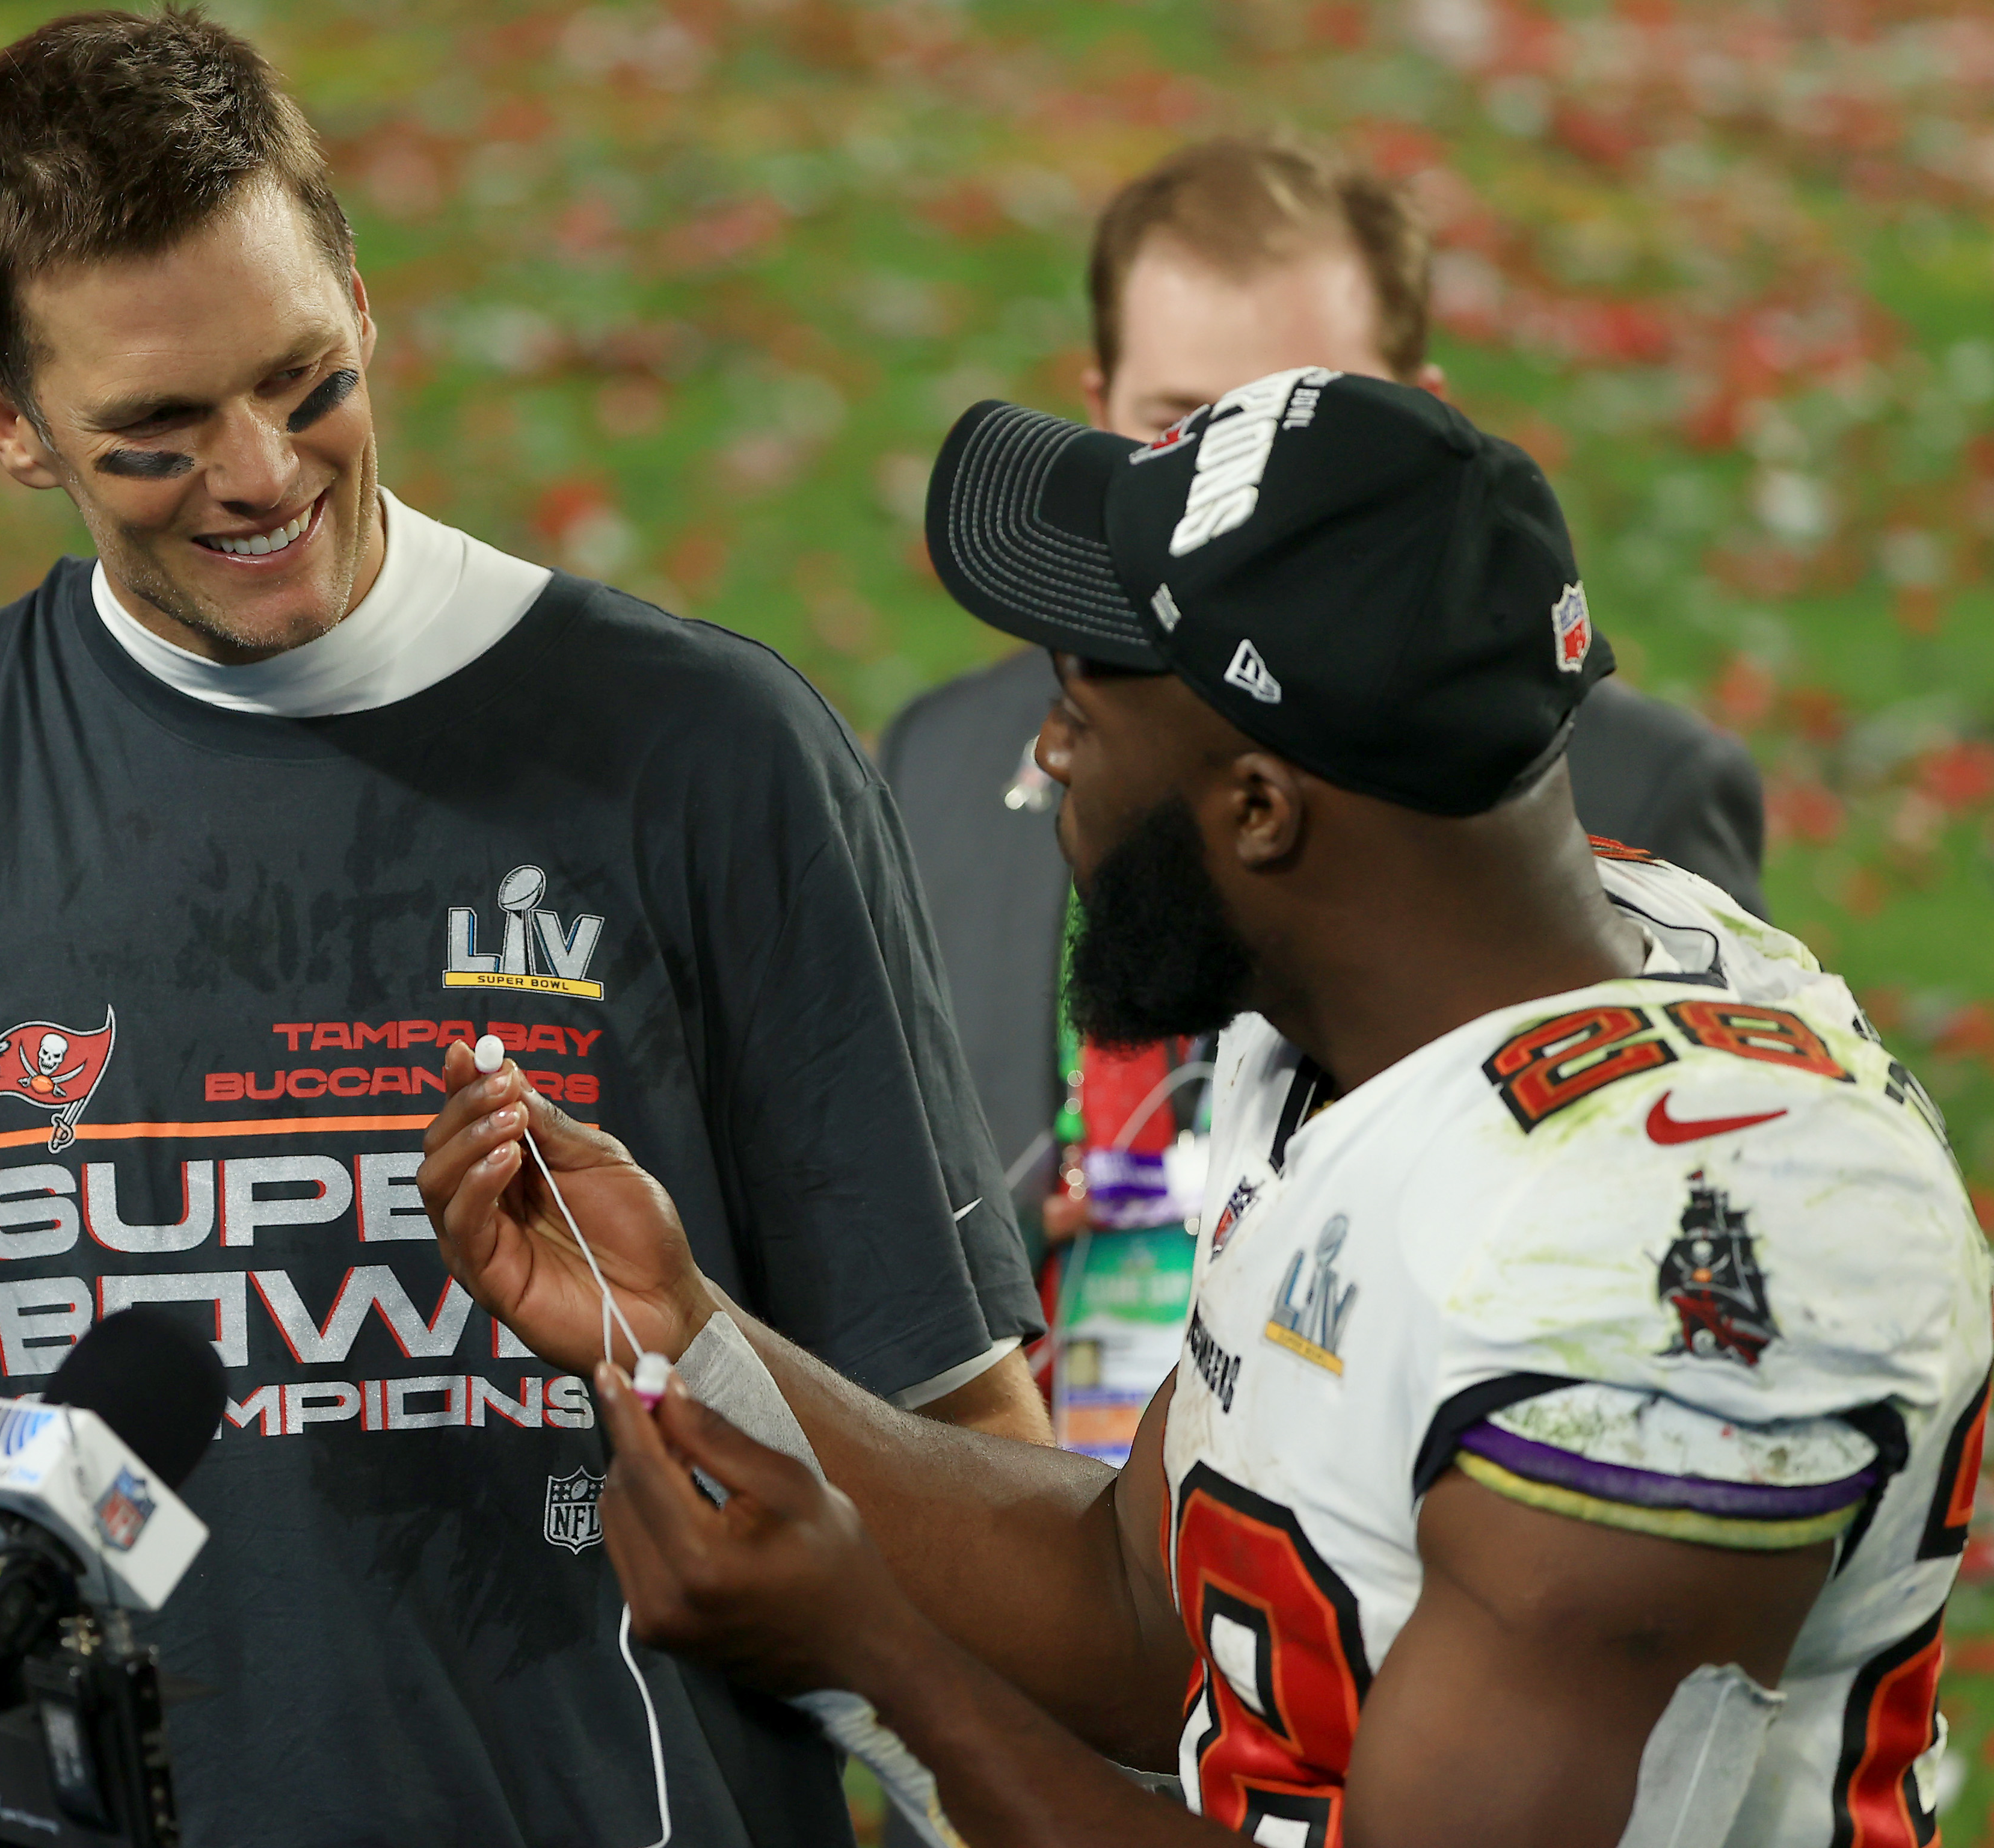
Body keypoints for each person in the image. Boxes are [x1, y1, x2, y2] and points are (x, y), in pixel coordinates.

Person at [0, 14, 1043, 1847]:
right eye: (155, 432)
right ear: (5, 421)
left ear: (361, 299)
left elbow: (953, 1422)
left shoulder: (705, 757)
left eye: (303, 380)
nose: (258, 476)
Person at [421, 371, 1984, 1846]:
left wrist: (870, 1660)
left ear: (1260, 809)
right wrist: (689, 1329)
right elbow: (1140, 1599)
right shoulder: (1380, 1007)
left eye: (1084, 712)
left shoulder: (1677, 1268)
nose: (1042, 758)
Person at [879, 138, 1769, 1447]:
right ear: (1098, 400)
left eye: (1300, 415)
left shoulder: (1619, 797)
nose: (1235, 486)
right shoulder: (941, 756)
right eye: (1177, 425)